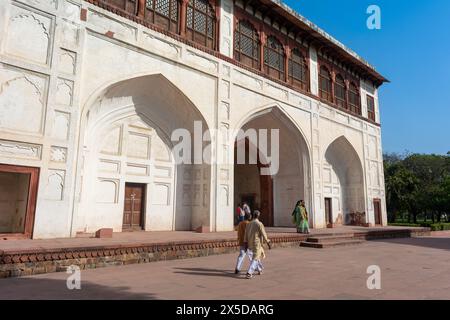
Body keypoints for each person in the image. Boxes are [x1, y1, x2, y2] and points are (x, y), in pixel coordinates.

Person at [244, 210, 271, 279]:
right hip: (257, 243)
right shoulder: (259, 224)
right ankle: (249, 272)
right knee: (255, 258)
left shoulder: (249, 224)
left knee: (257, 256)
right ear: (258, 216)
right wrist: (268, 242)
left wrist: (245, 243)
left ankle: (259, 269)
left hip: (250, 243)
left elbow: (245, 234)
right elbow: (264, 234)